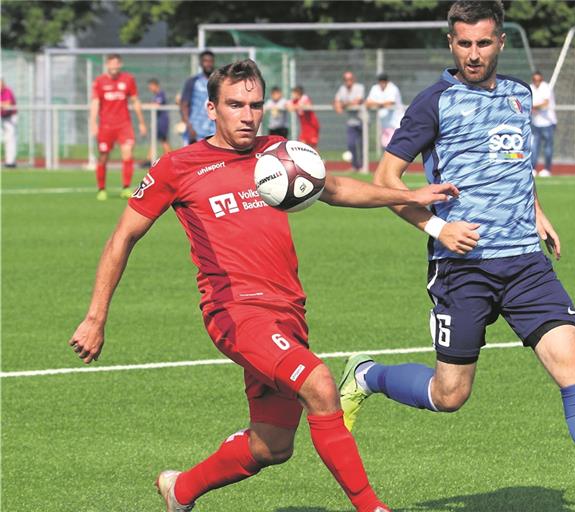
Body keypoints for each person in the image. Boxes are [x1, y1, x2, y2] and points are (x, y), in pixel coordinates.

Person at [68, 59, 457, 512]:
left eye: (255, 104)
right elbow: (123, 236)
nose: (248, 115)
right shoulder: (178, 167)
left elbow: (335, 189)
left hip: (287, 312)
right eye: (236, 105)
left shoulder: (280, 154)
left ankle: (180, 491)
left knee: (271, 446)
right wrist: (96, 317)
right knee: (321, 385)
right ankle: (372, 508)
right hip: (235, 312)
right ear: (211, 108)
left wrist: (406, 195)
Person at [338, 3, 575, 512]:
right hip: (463, 269)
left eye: (483, 43)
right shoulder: (434, 102)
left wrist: (538, 212)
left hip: (526, 263)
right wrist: (439, 226)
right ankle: (367, 375)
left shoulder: (520, 95)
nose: (473, 54)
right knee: (450, 394)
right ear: (451, 44)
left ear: (500, 42)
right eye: (464, 44)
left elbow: (518, 165)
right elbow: (385, 184)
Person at [90, 54, 147, 200]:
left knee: (127, 154)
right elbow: (95, 103)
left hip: (124, 125)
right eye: (111, 63)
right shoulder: (99, 81)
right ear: (107, 65)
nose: (114, 66)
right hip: (106, 126)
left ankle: (126, 187)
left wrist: (141, 122)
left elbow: (135, 101)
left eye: (116, 63)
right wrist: (93, 123)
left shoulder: (128, 80)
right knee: (103, 157)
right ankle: (101, 189)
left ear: (120, 64)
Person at [181, 50, 216, 144]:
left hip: (213, 132)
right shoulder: (193, 82)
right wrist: (189, 127)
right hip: (195, 132)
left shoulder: (218, 83)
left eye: (210, 61)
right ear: (201, 63)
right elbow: (184, 105)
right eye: (205, 61)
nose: (208, 64)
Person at [334, 71, 365, 171]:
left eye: (350, 79)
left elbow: (357, 101)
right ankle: (355, 166)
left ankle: (363, 166)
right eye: (346, 79)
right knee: (351, 144)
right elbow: (336, 101)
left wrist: (343, 105)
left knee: (362, 145)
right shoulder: (342, 89)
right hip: (351, 121)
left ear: (354, 79)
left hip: (362, 119)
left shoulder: (359, 87)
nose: (348, 81)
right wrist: (338, 105)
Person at [365, 73, 404, 150]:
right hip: (384, 123)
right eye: (380, 81)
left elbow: (389, 103)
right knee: (385, 145)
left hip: (396, 123)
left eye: (384, 81)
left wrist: (376, 103)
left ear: (387, 81)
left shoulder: (393, 88)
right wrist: (382, 104)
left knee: (395, 146)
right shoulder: (375, 88)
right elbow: (367, 103)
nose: (382, 83)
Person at [530, 70, 557, 177]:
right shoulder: (530, 87)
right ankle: (533, 168)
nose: (537, 82)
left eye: (539, 80)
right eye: (535, 80)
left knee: (548, 148)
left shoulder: (546, 87)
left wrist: (533, 107)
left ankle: (547, 169)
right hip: (535, 123)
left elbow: (545, 103)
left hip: (548, 123)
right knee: (534, 147)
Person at [144, 78, 171, 165]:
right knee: (160, 140)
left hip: (162, 121)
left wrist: (144, 105)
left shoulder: (160, 94)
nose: (150, 89)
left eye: (151, 86)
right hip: (159, 121)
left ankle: (170, 159)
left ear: (155, 85)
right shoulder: (156, 95)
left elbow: (156, 105)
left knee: (162, 140)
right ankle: (150, 159)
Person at [1, 79, 17, 168]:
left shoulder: (7, 91)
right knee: (5, 139)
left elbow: (8, 104)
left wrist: (2, 104)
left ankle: (10, 162)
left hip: (10, 117)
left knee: (10, 139)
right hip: (2, 117)